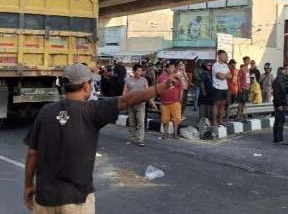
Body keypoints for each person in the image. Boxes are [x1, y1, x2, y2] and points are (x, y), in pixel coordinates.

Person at [23, 63, 176, 213]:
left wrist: (28, 186)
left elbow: (32, 154)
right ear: (85, 86)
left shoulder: (45, 111)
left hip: (44, 199)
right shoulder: (92, 111)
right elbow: (127, 100)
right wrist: (161, 87)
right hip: (76, 200)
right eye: (91, 82)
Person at [123, 64, 156, 147]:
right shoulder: (128, 80)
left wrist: (152, 103)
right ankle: (132, 138)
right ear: (134, 71)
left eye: (141, 71)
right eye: (138, 70)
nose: (139, 72)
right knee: (131, 122)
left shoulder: (144, 80)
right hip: (131, 104)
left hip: (141, 104)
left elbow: (147, 92)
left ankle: (140, 140)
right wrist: (124, 102)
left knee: (140, 122)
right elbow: (124, 92)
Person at [158, 64, 182, 139]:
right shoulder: (161, 77)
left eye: (173, 67)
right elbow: (158, 87)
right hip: (164, 102)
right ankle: (165, 133)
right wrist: (159, 96)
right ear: (167, 69)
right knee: (165, 119)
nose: (172, 68)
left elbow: (180, 87)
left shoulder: (177, 76)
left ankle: (175, 134)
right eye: (171, 67)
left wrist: (180, 98)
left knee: (176, 119)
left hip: (175, 101)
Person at [212, 50, 231, 127]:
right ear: (219, 56)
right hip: (217, 87)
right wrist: (224, 75)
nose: (226, 57)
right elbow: (220, 76)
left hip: (225, 88)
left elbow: (230, 76)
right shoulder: (215, 65)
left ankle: (221, 120)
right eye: (224, 55)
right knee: (216, 105)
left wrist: (224, 76)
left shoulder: (226, 66)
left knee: (223, 105)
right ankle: (214, 121)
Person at [272, 67, 288, 144]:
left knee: (278, 121)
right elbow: (276, 94)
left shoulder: (281, 81)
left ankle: (276, 139)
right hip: (279, 104)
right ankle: (279, 139)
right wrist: (279, 105)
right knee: (280, 121)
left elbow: (284, 90)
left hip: (281, 103)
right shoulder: (277, 82)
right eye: (283, 73)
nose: (284, 74)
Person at [237, 57, 251, 121]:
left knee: (244, 103)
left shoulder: (248, 69)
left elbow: (248, 79)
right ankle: (238, 116)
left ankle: (242, 115)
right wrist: (239, 88)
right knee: (240, 103)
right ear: (244, 61)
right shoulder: (242, 69)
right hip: (242, 88)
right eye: (246, 60)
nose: (248, 62)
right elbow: (238, 79)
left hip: (247, 88)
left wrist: (249, 87)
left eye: (249, 60)